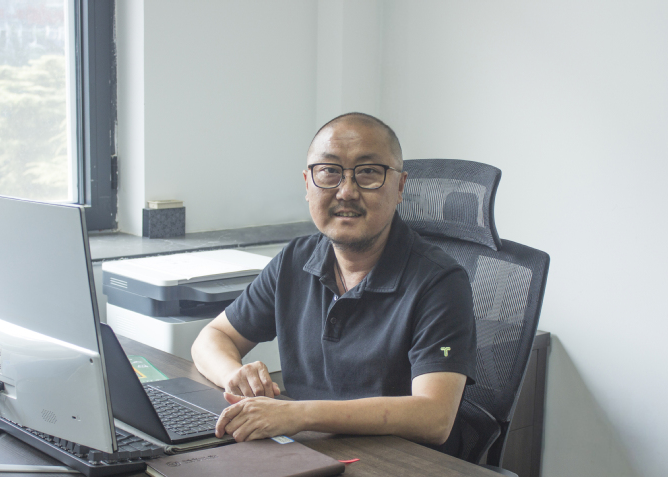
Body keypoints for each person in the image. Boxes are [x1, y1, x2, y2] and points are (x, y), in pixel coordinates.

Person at [191, 112, 476, 448]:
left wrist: (299, 414)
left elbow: (434, 416)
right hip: (308, 451)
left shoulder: (440, 282)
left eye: (368, 172)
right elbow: (213, 337)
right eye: (329, 171)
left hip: (399, 464)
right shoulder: (295, 260)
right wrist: (234, 376)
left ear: (400, 187)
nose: (346, 191)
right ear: (307, 184)